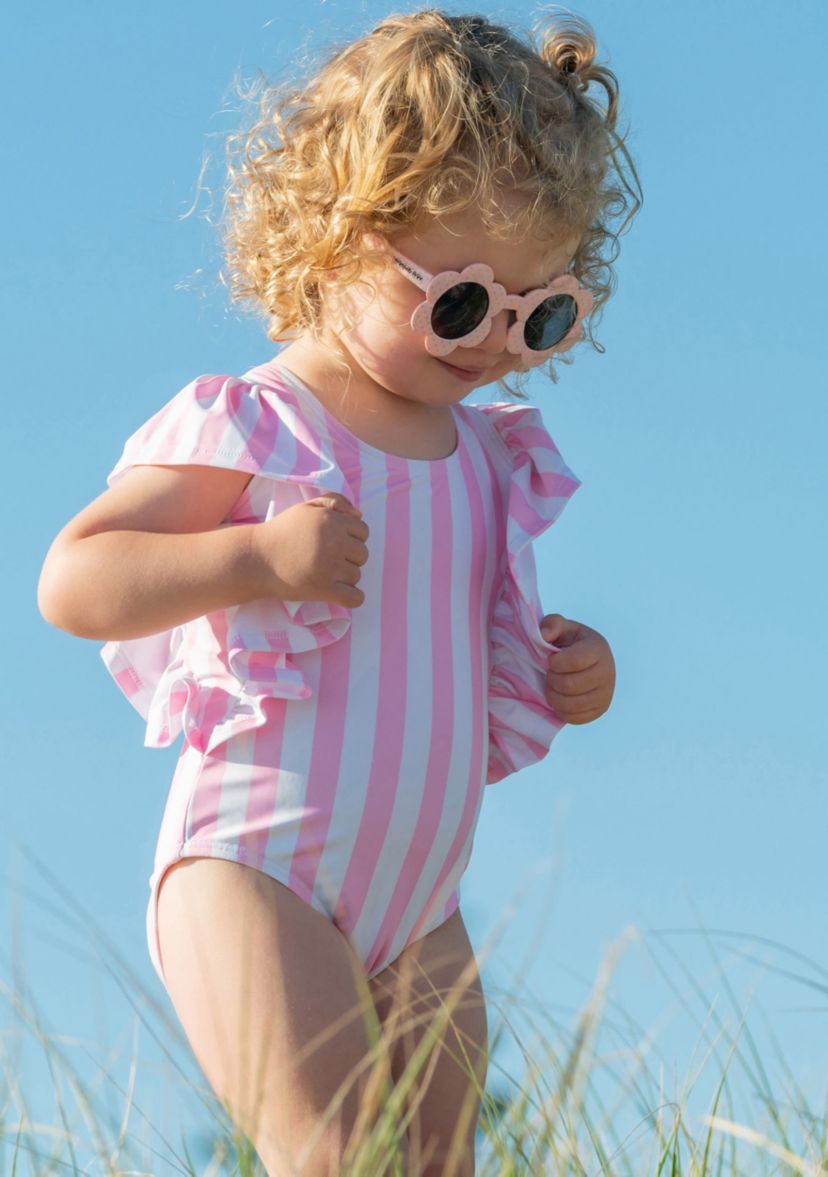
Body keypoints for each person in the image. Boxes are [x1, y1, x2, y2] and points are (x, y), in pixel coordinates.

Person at [37, 7, 640, 1175]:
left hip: (424, 899)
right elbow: (78, 578)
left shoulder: (483, 454)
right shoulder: (263, 420)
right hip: (256, 864)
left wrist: (572, 668)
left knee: (441, 1161)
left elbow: (449, 642)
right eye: (460, 301)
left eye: (539, 315)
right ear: (337, 233)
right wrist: (252, 558)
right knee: (332, 1154)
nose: (489, 344)